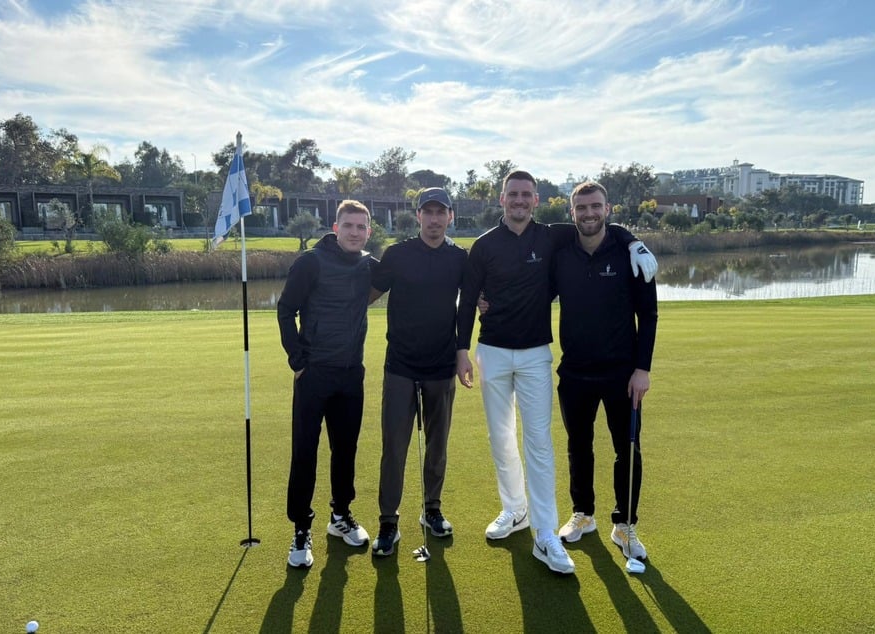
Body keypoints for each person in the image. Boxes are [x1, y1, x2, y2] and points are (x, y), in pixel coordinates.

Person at [456, 170, 656, 575]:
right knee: (528, 440)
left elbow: (604, 229)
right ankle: (536, 511)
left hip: (567, 361)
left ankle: (583, 530)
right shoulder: (501, 246)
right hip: (524, 358)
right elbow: (473, 299)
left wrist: (632, 240)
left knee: (557, 444)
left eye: (526, 194)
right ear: (502, 199)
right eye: (513, 194)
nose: (519, 200)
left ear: (536, 200)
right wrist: (463, 344)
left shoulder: (559, 238)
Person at [552, 181, 658, 566]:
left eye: (595, 206)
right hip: (575, 372)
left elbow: (648, 315)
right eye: (582, 207)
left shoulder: (631, 252)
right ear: (572, 212)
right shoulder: (561, 251)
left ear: (608, 208)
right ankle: (583, 513)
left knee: (627, 449)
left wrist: (642, 369)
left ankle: (625, 524)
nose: (589, 213)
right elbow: (531, 290)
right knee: (578, 446)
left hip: (622, 374)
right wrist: (488, 300)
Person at [368, 187, 468, 556]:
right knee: (394, 447)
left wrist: (463, 352)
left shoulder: (459, 258)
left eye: (441, 212)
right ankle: (388, 522)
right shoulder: (397, 254)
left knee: (437, 446)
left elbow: (471, 304)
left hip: (441, 366)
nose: (435, 219)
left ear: (450, 217)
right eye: (428, 212)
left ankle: (432, 510)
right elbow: (365, 294)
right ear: (419, 216)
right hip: (400, 366)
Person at [277, 200, 376, 568]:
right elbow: (286, 309)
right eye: (348, 225)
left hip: (351, 374)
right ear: (336, 228)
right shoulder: (311, 261)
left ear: (368, 231)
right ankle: (301, 528)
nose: (354, 232)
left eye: (361, 227)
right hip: (314, 373)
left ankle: (341, 515)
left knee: (345, 450)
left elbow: (407, 275)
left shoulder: (368, 263)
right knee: (304, 452)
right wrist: (298, 361)